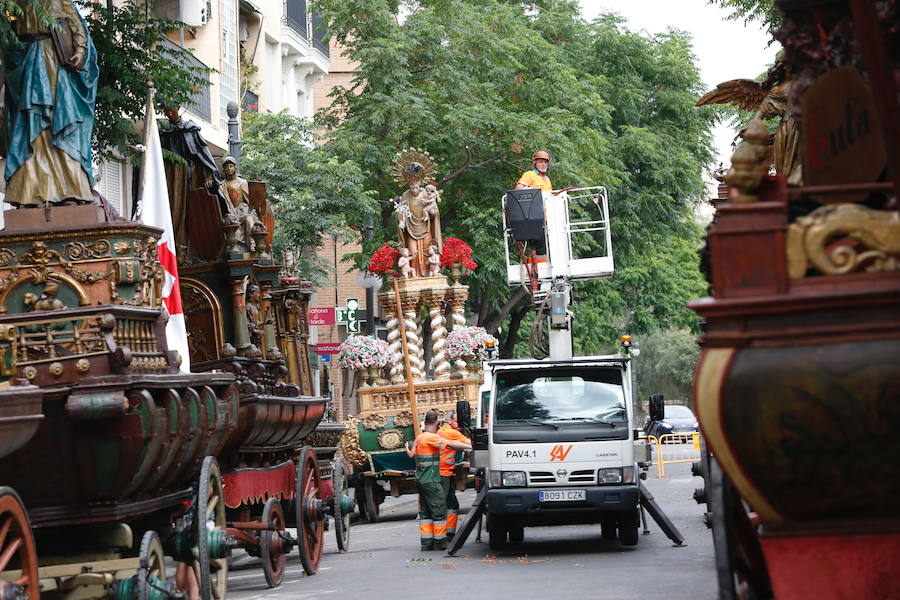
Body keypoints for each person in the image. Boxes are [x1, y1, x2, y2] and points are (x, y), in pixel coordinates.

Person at [3, 0, 99, 206]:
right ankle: (29, 193)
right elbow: (8, 32)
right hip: (28, 63)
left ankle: (70, 190)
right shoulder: (17, 3)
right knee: (30, 129)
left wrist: (79, 51)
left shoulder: (60, 1)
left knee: (59, 123)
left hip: (54, 64)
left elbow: (77, 26)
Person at [405, 411, 470, 551]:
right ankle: (440, 542)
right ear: (436, 423)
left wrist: (406, 447)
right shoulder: (431, 437)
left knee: (426, 512)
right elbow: (450, 445)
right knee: (439, 510)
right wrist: (469, 446)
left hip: (421, 479)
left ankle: (426, 543)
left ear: (425, 422)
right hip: (432, 480)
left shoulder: (419, 437)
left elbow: (411, 454)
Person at [437, 411, 471, 537]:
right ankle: (443, 535)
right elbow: (469, 444)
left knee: (450, 503)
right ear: (450, 421)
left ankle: (448, 533)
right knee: (446, 504)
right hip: (443, 473)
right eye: (456, 421)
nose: (458, 424)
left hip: (441, 472)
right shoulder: (452, 433)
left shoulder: (442, 431)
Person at [218, 156, 257, 252]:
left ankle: (253, 243)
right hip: (231, 211)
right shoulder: (222, 185)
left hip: (243, 209)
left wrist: (251, 210)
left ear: (235, 168)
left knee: (249, 219)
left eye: (231, 166)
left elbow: (249, 200)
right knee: (228, 223)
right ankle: (233, 246)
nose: (229, 168)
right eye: (226, 166)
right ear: (223, 170)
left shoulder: (242, 182)